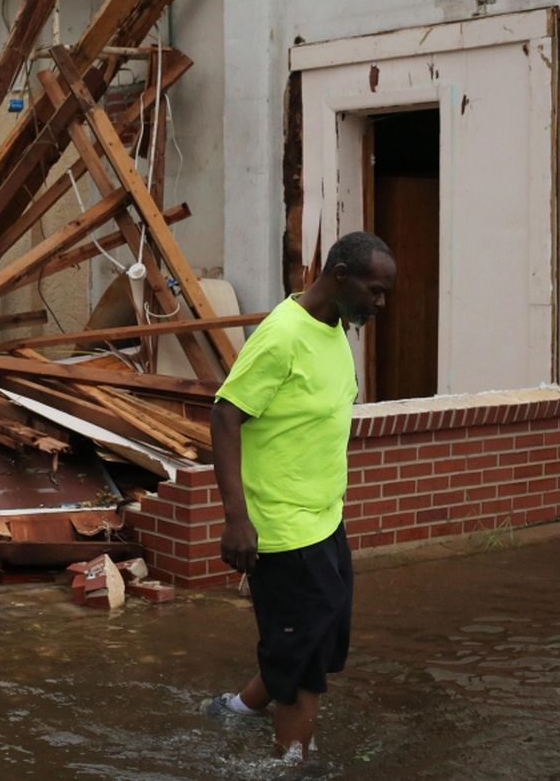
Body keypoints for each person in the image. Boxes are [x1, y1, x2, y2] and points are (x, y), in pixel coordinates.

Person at [203, 230, 396, 761]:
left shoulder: (334, 327)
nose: (379, 305)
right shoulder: (282, 336)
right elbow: (225, 414)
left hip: (325, 521)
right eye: (374, 292)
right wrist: (236, 519)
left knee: (323, 638)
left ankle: (238, 709)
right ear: (339, 276)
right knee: (302, 658)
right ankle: (290, 765)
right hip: (282, 530)